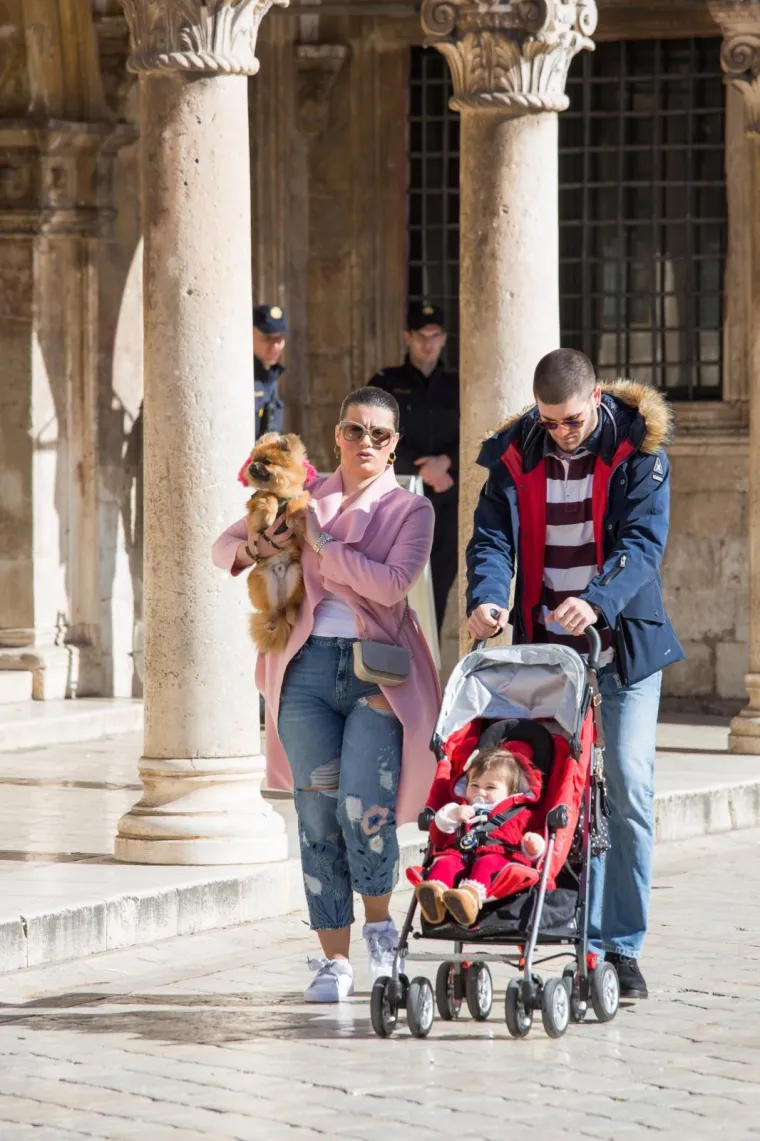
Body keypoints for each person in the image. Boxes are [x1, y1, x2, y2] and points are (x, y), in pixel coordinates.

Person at [465, 348, 684, 1000]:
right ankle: (573, 939)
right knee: (564, 798)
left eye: (573, 419)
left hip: (623, 652)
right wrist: (487, 594)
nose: (563, 431)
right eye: (551, 420)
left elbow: (643, 544)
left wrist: (596, 598)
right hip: (552, 659)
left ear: (595, 400)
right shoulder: (513, 454)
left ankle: (622, 947)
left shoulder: (639, 452)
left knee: (631, 791)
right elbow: (491, 539)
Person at [212, 387, 441, 1003]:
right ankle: (332, 961)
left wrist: (322, 544)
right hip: (305, 672)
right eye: (354, 430)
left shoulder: (409, 510)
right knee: (315, 817)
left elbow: (392, 587)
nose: (365, 442)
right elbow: (222, 549)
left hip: (377, 678)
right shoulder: (304, 497)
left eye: (379, 435)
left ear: (395, 446)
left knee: (363, 811)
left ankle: (380, 930)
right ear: (337, 435)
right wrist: (259, 546)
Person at [370, 302, 459, 635]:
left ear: (444, 339)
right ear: (407, 337)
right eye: (421, 335)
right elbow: (373, 433)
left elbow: (476, 436)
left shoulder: (457, 384)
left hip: (446, 501)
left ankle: (426, 659)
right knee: (396, 583)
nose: (428, 343)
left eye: (435, 335)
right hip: (400, 500)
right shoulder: (386, 382)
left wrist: (447, 462)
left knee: (438, 584)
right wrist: (420, 470)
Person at [416, 745, 545, 929]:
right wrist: (451, 816)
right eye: (474, 785)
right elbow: (439, 838)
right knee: (445, 862)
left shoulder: (520, 813)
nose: (480, 792)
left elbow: (536, 840)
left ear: (511, 791)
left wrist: (534, 846)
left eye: (490, 787)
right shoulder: (458, 807)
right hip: (460, 853)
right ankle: (435, 896)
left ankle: (468, 897)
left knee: (487, 864)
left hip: (499, 856)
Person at [253, 304, 287, 436]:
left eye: (279, 339)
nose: (275, 346)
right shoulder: (242, 378)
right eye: (267, 339)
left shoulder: (271, 375)